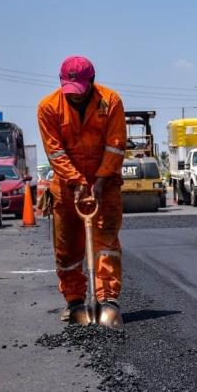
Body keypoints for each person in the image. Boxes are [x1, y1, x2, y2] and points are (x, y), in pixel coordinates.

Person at [37, 56, 127, 321]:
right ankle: (75, 301)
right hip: (66, 188)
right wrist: (76, 182)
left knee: (106, 243)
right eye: (69, 91)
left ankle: (107, 298)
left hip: (106, 185)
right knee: (67, 249)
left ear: (92, 81)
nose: (74, 97)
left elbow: (116, 145)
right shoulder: (48, 107)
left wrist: (99, 181)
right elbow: (55, 152)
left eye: (80, 91)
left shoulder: (110, 101)